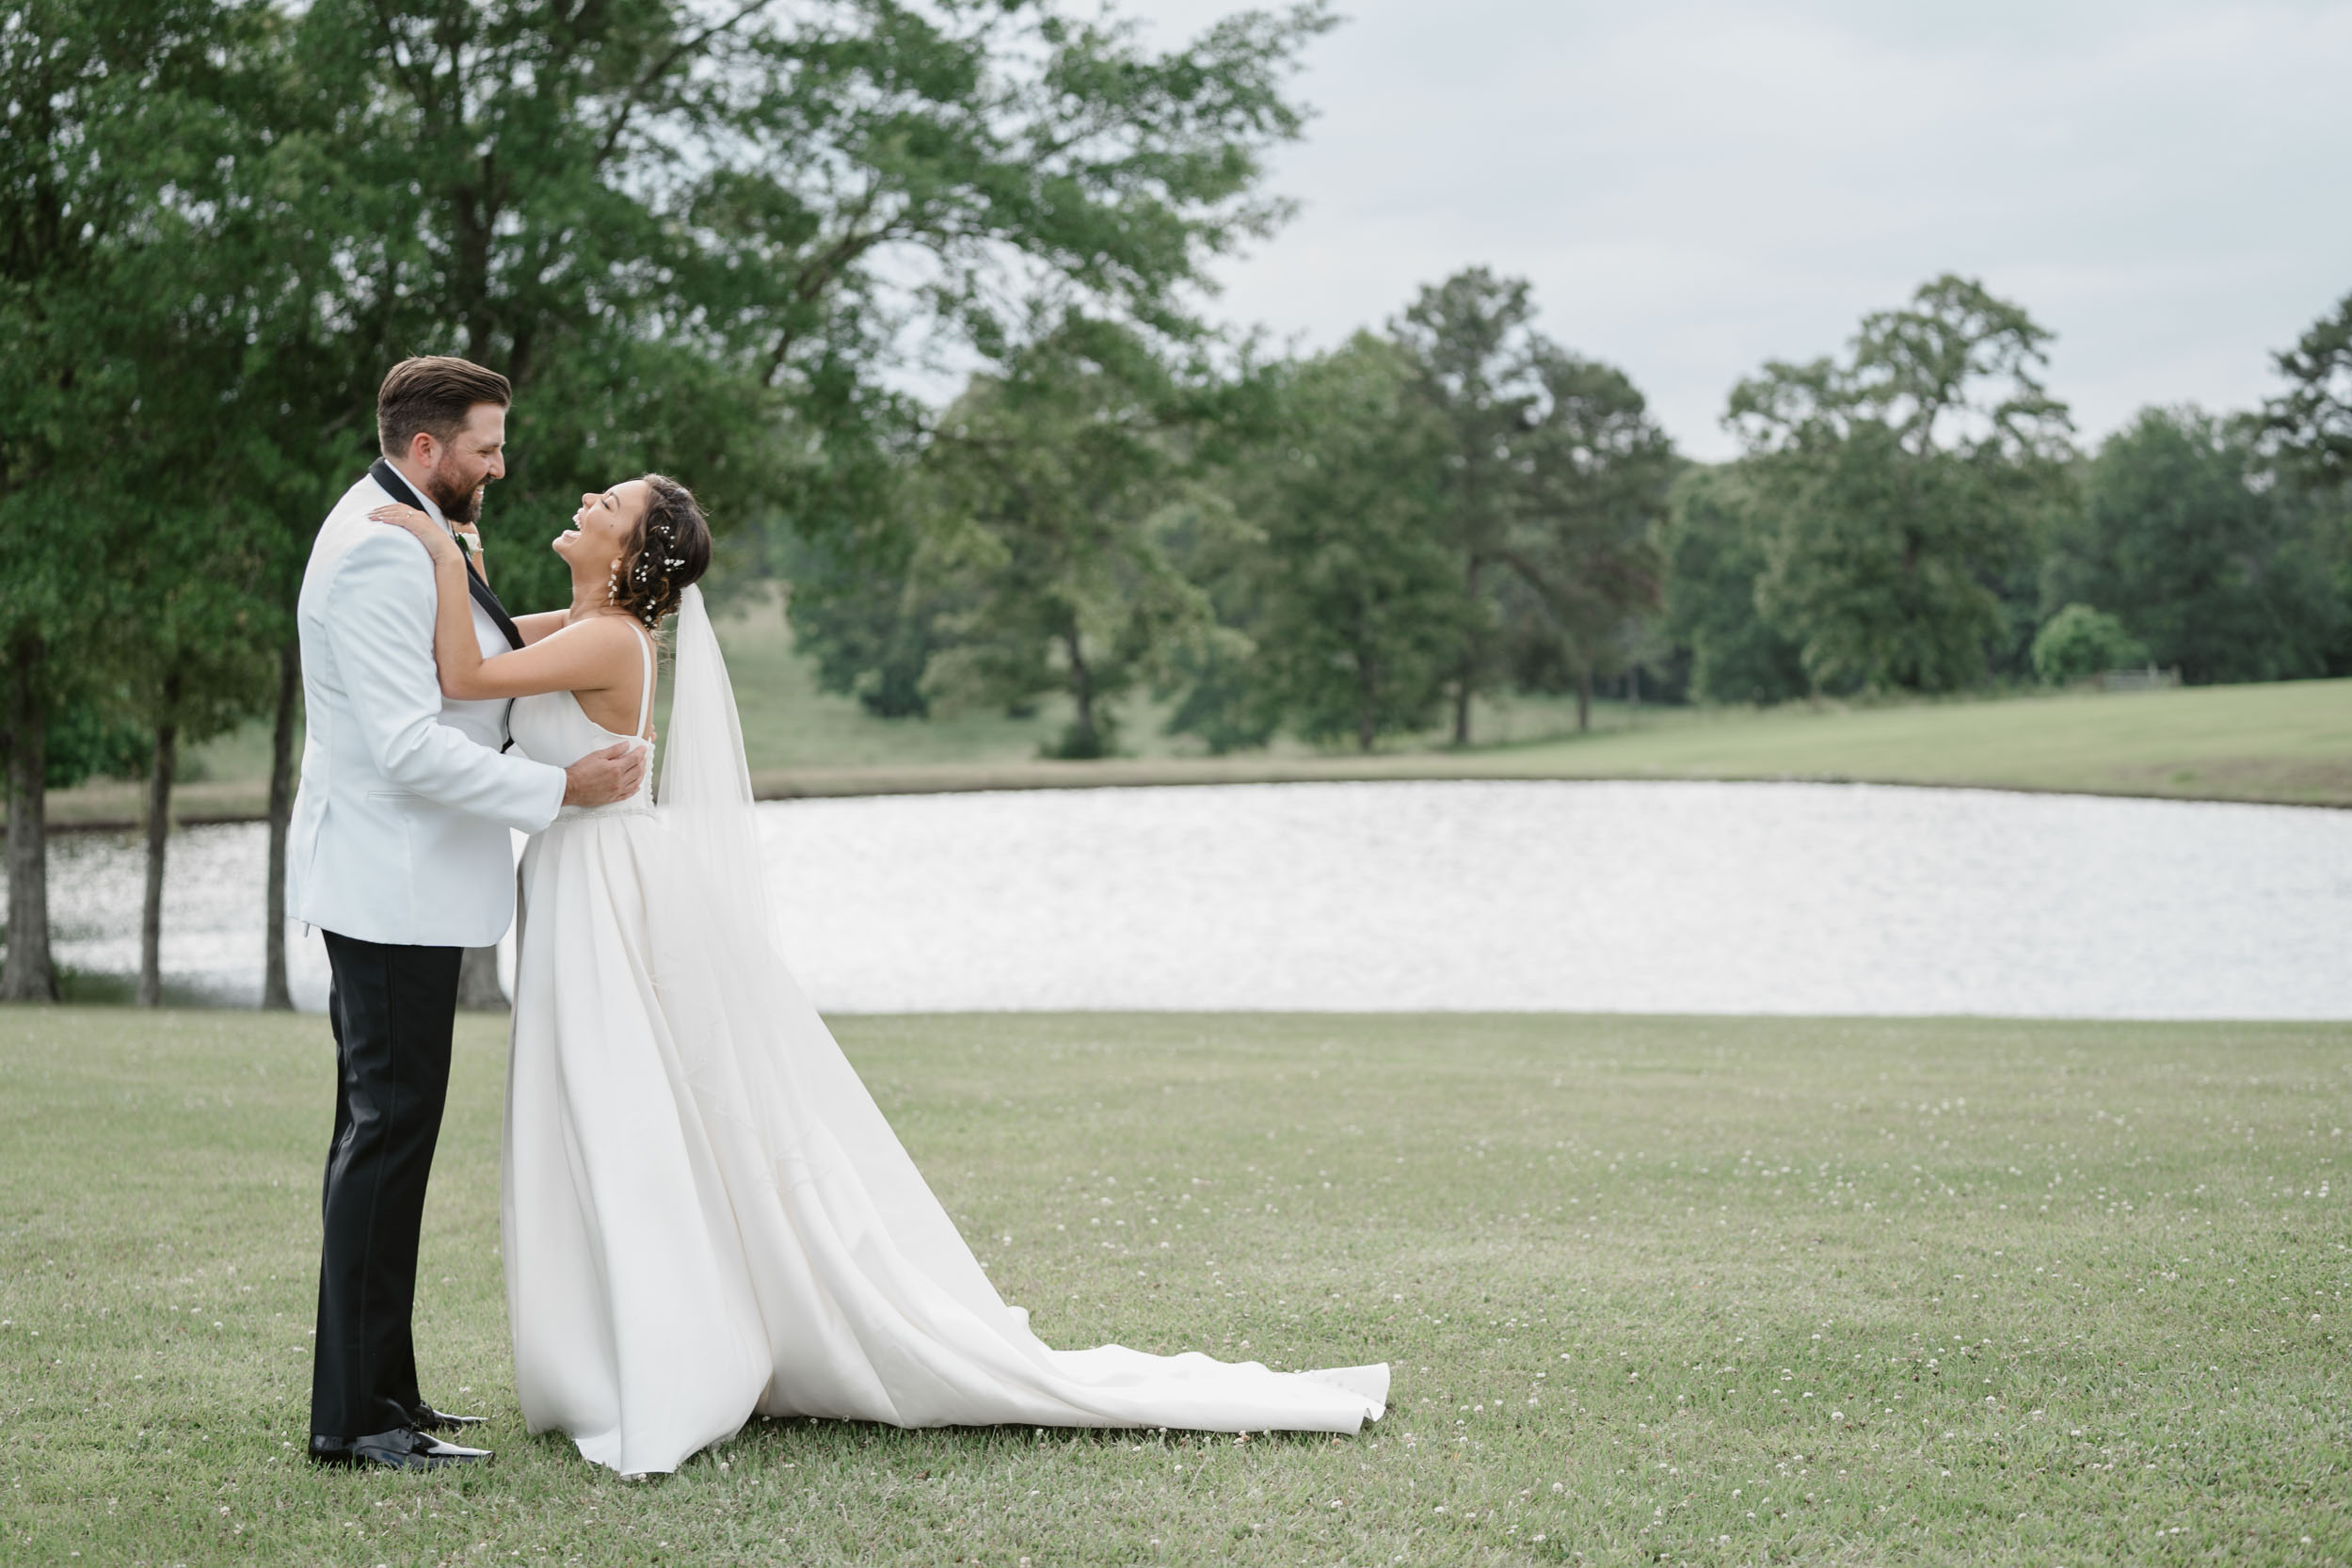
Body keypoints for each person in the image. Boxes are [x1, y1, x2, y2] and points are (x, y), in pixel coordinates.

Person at [369, 477, 1389, 1478]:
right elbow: (487, 640)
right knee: (600, 1109)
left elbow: (461, 674)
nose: (587, 498)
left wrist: (427, 545)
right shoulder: (590, 621)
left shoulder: (603, 637)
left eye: (611, 503)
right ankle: (623, 1338)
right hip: (581, 878)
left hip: (606, 888)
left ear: (634, 554)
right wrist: (462, 560)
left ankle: (673, 1345)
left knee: (623, 1108)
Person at [289, 357, 649, 1472]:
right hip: (389, 886)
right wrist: (557, 791)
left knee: (392, 1141)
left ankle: (387, 1393)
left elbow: (480, 665)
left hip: (408, 886)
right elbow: (404, 746)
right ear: (430, 449)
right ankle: (355, 1421)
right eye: (488, 447)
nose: (502, 465)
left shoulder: (418, 533)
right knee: (384, 1142)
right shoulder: (383, 554)